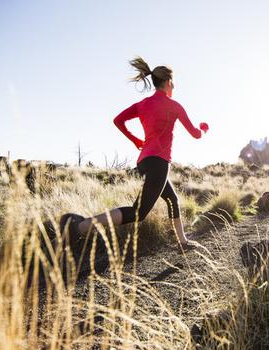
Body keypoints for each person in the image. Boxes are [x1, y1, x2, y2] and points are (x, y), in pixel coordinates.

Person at [60, 57, 209, 251]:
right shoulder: (174, 106)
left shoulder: (143, 104)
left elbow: (118, 120)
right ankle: (80, 227)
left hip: (144, 161)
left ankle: (183, 242)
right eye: (173, 83)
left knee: (172, 199)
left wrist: (135, 140)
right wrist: (204, 128)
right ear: (168, 82)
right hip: (159, 163)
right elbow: (195, 134)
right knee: (137, 212)